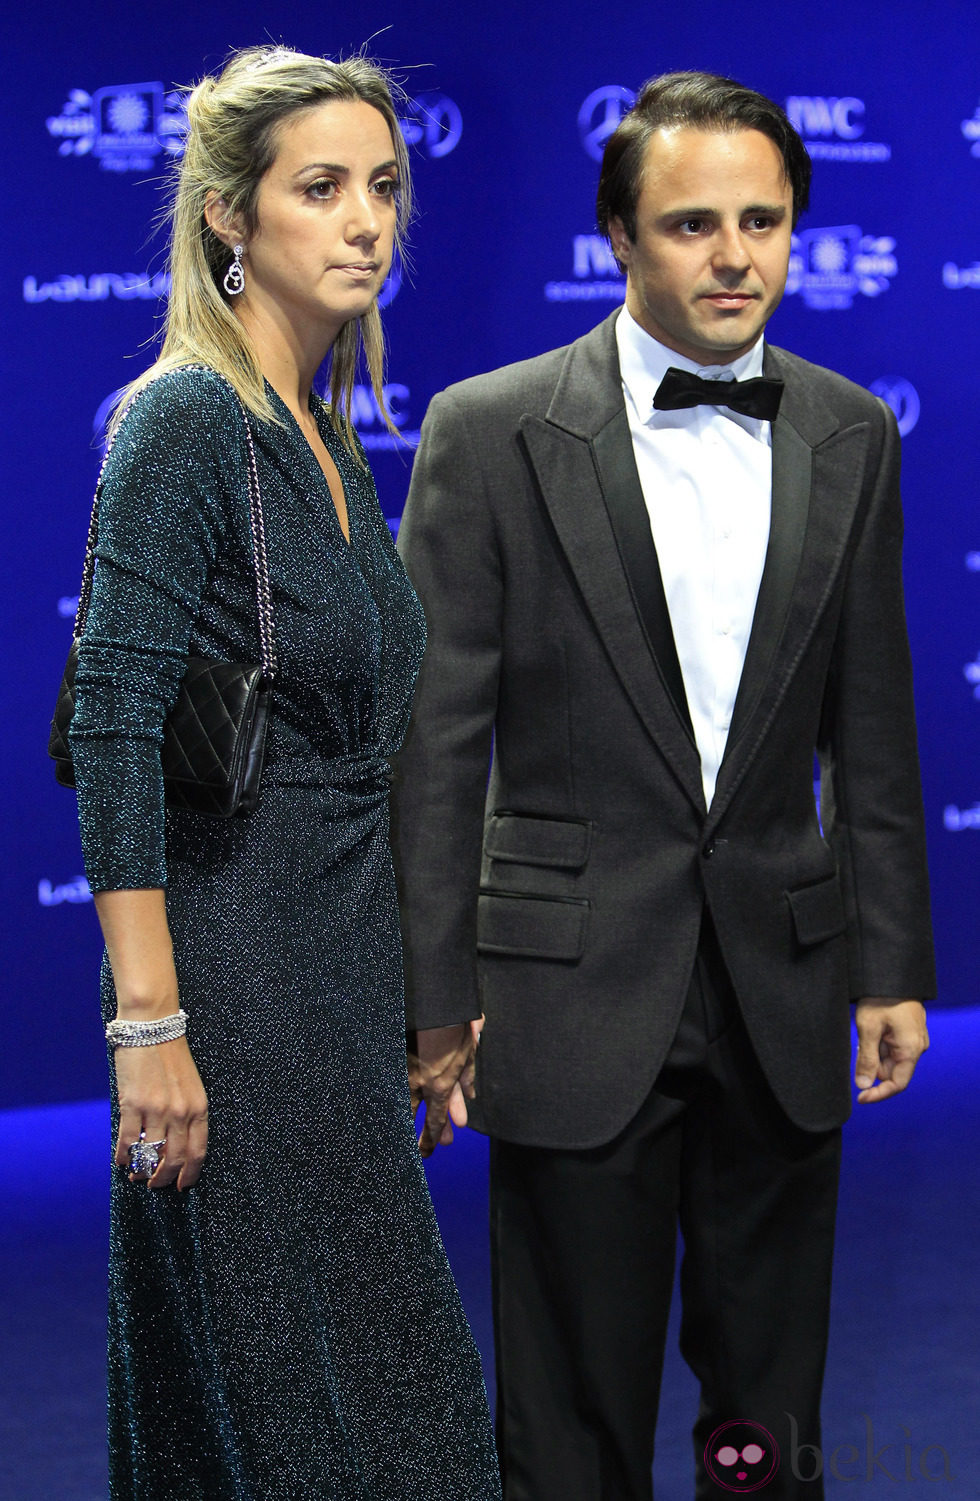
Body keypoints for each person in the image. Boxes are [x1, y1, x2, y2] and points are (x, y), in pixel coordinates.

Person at [391, 71, 935, 1500]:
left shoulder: (849, 431)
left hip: (785, 978)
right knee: (571, 1425)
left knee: (768, 1423)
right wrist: (430, 993)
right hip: (565, 985)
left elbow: (874, 727)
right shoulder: (488, 429)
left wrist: (892, 963)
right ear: (620, 240)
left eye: (764, 221)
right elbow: (436, 743)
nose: (736, 254)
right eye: (694, 223)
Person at [66, 44, 500, 1501]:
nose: (367, 219)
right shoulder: (185, 423)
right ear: (228, 218)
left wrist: (409, 1007)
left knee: (391, 1413)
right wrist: (150, 1027)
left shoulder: (330, 438)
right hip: (232, 995)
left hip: (339, 981)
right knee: (299, 1423)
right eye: (321, 188)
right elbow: (115, 719)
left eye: (384, 186)